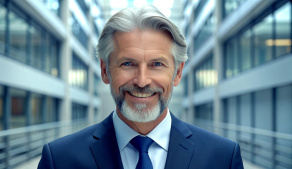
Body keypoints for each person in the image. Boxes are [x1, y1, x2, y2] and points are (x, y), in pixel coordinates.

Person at [38, 6, 244, 169]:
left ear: (178, 73)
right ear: (104, 70)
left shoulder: (223, 157)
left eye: (157, 64)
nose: (142, 81)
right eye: (128, 63)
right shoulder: (59, 159)